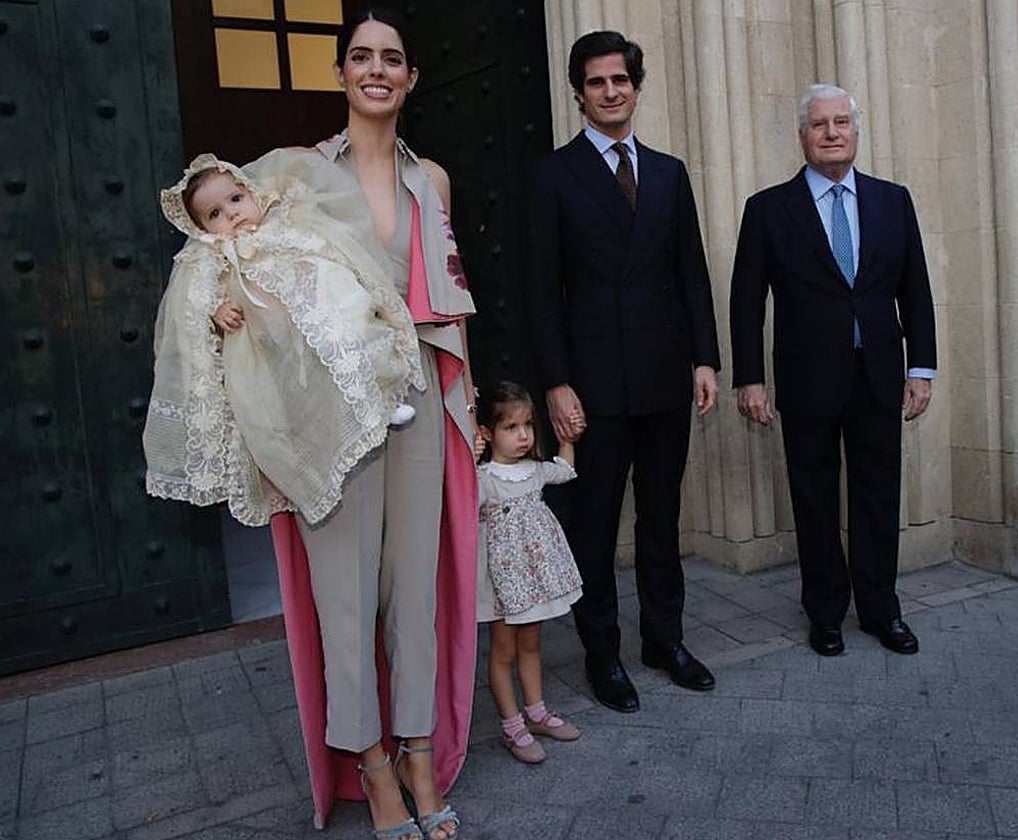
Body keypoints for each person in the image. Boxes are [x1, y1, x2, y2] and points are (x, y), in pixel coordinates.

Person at [243, 9, 479, 839]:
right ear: (342, 74)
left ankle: (418, 749)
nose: (376, 69)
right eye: (360, 57)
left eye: (392, 59)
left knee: (414, 586)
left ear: (411, 79)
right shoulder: (297, 174)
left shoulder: (434, 181)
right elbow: (233, 260)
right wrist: (231, 323)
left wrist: (470, 404)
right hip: (332, 401)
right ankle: (371, 766)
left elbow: (450, 300)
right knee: (343, 596)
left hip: (418, 386)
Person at [525, 30, 722, 714]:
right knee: (596, 526)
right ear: (578, 93)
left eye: (621, 80)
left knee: (662, 520)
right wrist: (556, 383)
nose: (611, 91)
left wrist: (705, 358)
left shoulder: (668, 172)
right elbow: (541, 291)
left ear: (637, 87)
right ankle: (603, 656)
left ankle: (665, 642)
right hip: (593, 388)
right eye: (597, 81)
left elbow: (690, 273)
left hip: (667, 378)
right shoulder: (553, 175)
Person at [729, 84, 937, 658]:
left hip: (877, 375)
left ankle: (880, 609)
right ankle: (824, 612)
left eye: (841, 122)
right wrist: (749, 377)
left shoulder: (893, 201)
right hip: (806, 381)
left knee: (877, 495)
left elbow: (914, 289)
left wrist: (920, 368)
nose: (831, 133)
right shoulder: (769, 209)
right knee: (814, 498)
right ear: (803, 136)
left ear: (855, 130)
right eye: (819, 124)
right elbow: (747, 300)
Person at [145, 155, 423, 525]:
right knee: (269, 397)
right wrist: (217, 308)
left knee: (351, 334)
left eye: (235, 199)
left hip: (322, 310)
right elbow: (190, 302)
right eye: (213, 214)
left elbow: (326, 245)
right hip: (268, 342)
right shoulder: (208, 257)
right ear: (200, 228)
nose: (230, 214)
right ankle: (306, 454)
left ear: (252, 193)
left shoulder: (282, 221)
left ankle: (377, 400)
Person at [473, 382, 584, 764]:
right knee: (503, 651)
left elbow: (566, 470)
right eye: (510, 427)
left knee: (531, 645)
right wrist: (465, 453)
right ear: (487, 433)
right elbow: (458, 499)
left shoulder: (535, 471)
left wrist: (567, 433)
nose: (523, 436)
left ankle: (536, 713)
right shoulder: (482, 478)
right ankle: (512, 725)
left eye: (527, 425)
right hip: (504, 584)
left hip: (534, 582)